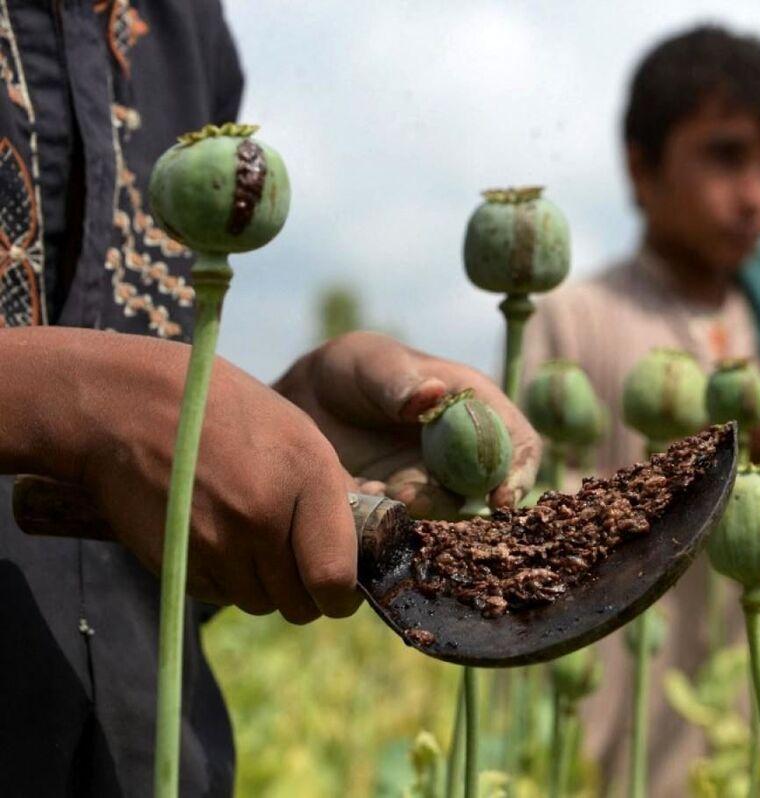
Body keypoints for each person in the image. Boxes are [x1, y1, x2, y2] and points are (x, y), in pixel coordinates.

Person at [0, 3, 538, 795]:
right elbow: (114, 407)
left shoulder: (184, 26)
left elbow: (143, 512)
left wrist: (280, 430)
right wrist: (84, 400)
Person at [523, 25, 760, 794]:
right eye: (726, 155)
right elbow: (528, 525)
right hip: (622, 712)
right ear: (642, 169)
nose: (756, 195)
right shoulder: (574, 319)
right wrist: (705, 459)